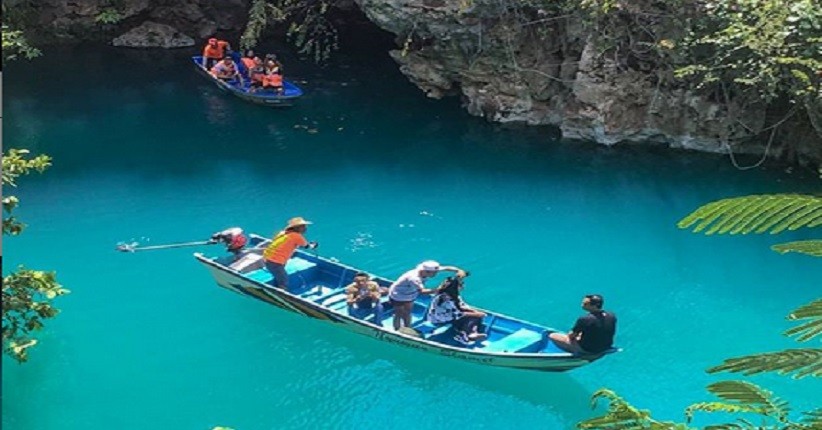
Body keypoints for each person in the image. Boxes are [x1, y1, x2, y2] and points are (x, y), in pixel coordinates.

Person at [388, 260, 466, 331]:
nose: (436, 274)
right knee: (399, 313)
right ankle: (397, 329)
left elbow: (447, 268)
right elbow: (422, 291)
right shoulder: (414, 278)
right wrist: (439, 289)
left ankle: (407, 327)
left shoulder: (429, 270)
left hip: (411, 294)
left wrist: (459, 270)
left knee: (408, 312)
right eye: (434, 273)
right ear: (426, 271)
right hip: (398, 295)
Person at [427, 274, 487, 345]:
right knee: (475, 317)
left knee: (476, 315)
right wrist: (477, 314)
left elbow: (461, 306)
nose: (463, 286)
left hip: (445, 315)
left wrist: (474, 311)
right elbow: (459, 314)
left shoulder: (449, 294)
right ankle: (466, 335)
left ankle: (469, 331)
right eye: (461, 285)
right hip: (439, 319)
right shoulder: (448, 300)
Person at [549, 294, 617, 355]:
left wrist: (575, 337)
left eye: (585, 303)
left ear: (594, 305)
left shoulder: (585, 319)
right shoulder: (611, 315)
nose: (582, 305)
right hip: (606, 347)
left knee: (552, 335)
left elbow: (571, 336)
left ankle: (573, 351)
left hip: (588, 349)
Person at [262, 217, 318, 290]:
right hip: (275, 261)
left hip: (268, 257)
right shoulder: (297, 236)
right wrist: (313, 245)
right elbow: (306, 246)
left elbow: (289, 243)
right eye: (303, 226)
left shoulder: (283, 233)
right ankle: (281, 291)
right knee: (284, 279)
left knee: (279, 274)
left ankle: (276, 284)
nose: (305, 228)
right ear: (297, 228)